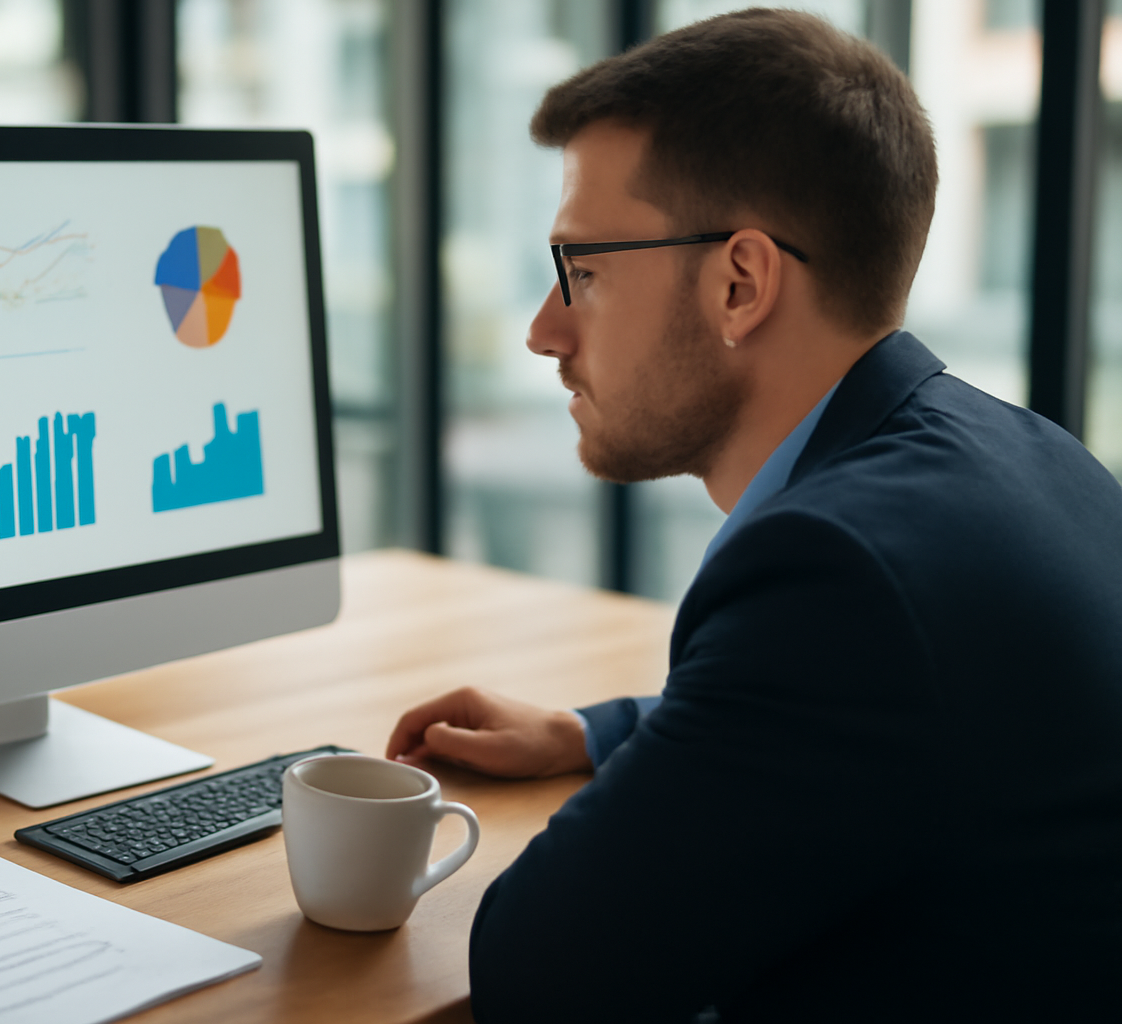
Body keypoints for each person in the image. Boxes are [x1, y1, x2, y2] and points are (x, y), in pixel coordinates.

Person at [385, 9, 1122, 1021]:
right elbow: (867, 721)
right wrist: (591, 735)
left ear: (741, 283)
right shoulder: (1031, 458)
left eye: (584, 273)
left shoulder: (837, 576)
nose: (544, 330)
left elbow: (541, 969)